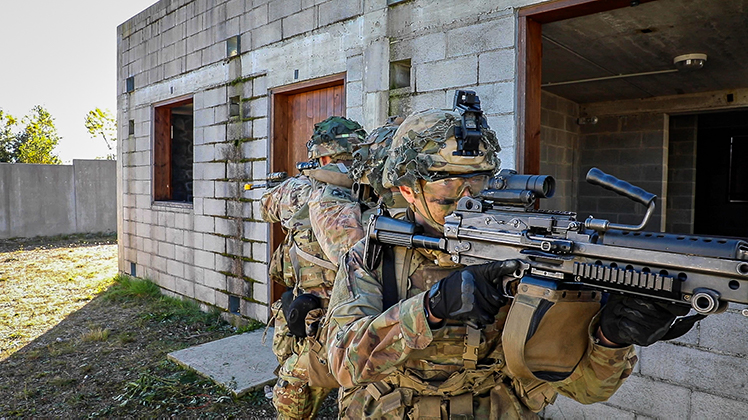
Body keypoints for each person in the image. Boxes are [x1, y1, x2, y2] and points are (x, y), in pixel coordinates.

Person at [323, 107, 686, 418]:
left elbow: (587, 390)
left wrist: (610, 339)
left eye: (478, 180)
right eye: (448, 184)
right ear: (407, 189)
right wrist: (432, 307)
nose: (467, 196)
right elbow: (343, 363)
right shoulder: (376, 254)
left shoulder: (519, 256)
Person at [260, 116, 367, 419]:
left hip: (315, 323)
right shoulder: (375, 191)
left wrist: (291, 185)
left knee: (293, 403)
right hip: (362, 318)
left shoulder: (300, 191)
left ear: (321, 157)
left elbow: (266, 207)